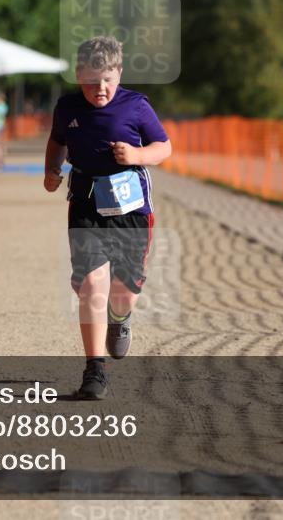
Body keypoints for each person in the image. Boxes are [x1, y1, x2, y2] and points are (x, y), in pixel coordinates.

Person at [43, 36, 171, 400]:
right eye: (91, 80)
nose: (100, 88)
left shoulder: (136, 106)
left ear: (119, 74)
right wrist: (51, 170)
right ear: (79, 75)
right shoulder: (67, 108)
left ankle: (120, 318)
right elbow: (58, 140)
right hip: (85, 203)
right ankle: (94, 369)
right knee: (92, 285)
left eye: (108, 80)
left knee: (122, 294)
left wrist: (137, 155)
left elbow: (165, 146)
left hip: (132, 210)